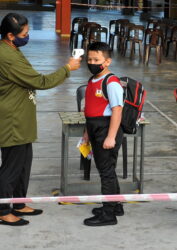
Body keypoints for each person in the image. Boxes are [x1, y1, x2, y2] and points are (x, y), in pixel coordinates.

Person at [0, 13, 81, 226]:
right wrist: (67, 69)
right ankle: (2, 210)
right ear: (10, 35)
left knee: (24, 164)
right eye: (24, 33)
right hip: (12, 120)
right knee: (11, 167)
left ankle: (18, 203)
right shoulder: (6, 56)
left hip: (22, 117)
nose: (28, 36)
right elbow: (40, 81)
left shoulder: (11, 49)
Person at [82, 42, 124, 226]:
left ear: (107, 61)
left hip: (106, 129)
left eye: (96, 59)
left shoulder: (111, 82)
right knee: (107, 170)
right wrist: (86, 133)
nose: (92, 62)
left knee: (106, 172)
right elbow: (90, 109)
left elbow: (117, 111)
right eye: (89, 59)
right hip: (94, 128)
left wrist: (111, 137)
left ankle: (108, 214)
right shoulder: (92, 80)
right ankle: (115, 206)